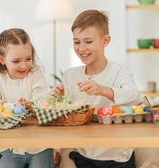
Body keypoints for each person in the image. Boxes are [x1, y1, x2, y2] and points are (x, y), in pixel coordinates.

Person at [58, 10, 140, 168]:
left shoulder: (119, 70)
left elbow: (134, 96)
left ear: (105, 40)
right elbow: (65, 117)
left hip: (118, 156)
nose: (81, 48)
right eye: (76, 42)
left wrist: (102, 90)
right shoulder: (70, 76)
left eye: (88, 42)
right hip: (83, 155)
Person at [0, 28, 56, 168]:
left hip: (40, 146)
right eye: (16, 61)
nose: (23, 65)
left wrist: (31, 104)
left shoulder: (35, 75)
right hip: (12, 146)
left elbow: (43, 99)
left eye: (28, 59)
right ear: (1, 59)